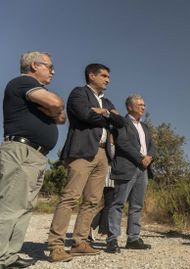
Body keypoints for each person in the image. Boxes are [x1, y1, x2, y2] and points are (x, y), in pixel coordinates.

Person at [47, 64, 124, 262]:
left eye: (109, 76)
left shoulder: (105, 101)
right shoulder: (78, 93)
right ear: (91, 75)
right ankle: (56, 245)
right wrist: (107, 116)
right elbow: (84, 114)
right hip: (82, 152)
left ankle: (80, 242)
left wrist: (104, 112)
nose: (108, 79)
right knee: (70, 197)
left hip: (102, 155)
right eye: (104, 76)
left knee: (92, 200)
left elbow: (121, 122)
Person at [0, 51, 65, 268]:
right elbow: (56, 103)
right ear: (35, 65)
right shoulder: (22, 83)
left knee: (25, 207)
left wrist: (54, 109)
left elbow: (62, 117)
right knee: (11, 206)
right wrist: (52, 108)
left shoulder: (31, 90)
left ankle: (9, 256)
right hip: (21, 151)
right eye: (50, 66)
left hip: (36, 156)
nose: (53, 71)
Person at [106, 95, 156, 253]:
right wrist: (140, 158)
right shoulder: (122, 122)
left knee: (137, 206)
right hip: (127, 167)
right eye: (140, 104)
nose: (143, 107)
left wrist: (149, 157)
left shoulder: (145, 127)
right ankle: (112, 239)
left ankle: (133, 238)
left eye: (144, 104)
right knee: (118, 203)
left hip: (143, 170)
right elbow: (122, 143)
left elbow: (152, 145)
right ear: (130, 107)